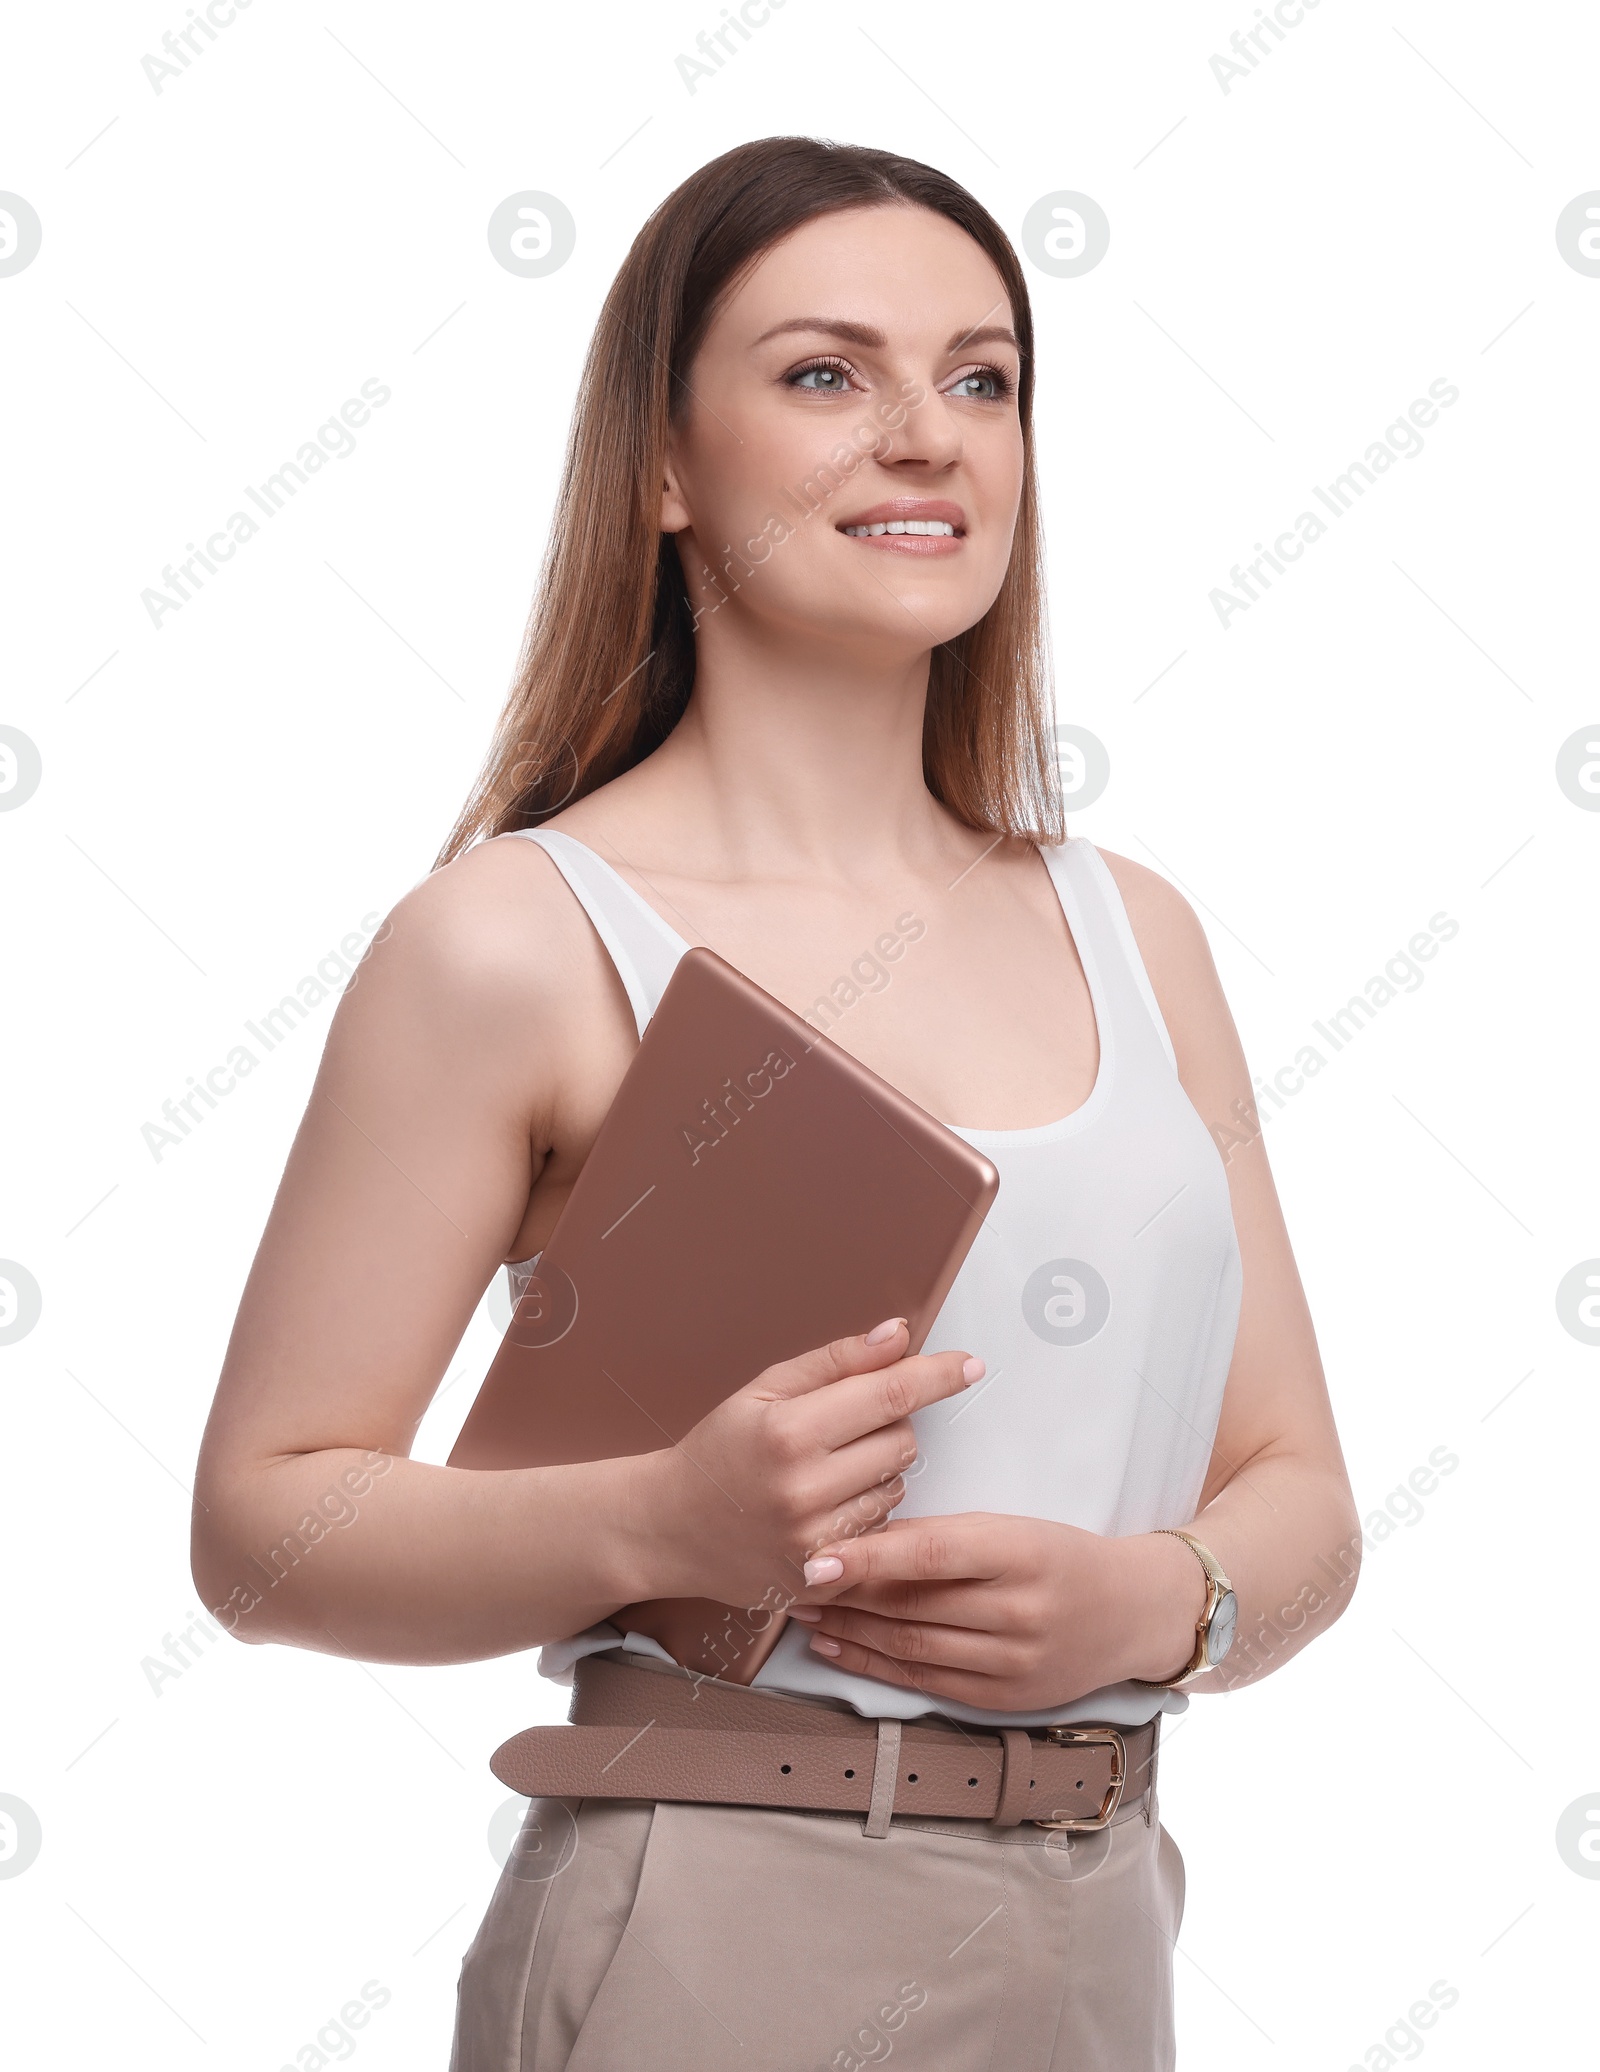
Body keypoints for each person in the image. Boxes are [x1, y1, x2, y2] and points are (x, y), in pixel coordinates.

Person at [193, 136, 1361, 2070]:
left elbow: (1302, 1493)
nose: (927, 435)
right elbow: (263, 1531)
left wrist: (1158, 1603)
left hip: (1105, 1929)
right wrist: (661, 1518)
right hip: (721, 1920)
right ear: (661, 465)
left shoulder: (1136, 932)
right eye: (828, 374)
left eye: (981, 378)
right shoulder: (514, 944)